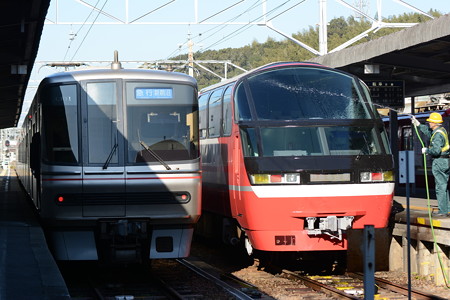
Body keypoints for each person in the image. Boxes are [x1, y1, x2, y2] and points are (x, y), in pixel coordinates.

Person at [411, 112, 450, 216]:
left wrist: (427, 150)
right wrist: (418, 124)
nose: (429, 123)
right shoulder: (441, 131)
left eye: (430, 121)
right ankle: (447, 209)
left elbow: (436, 151)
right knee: (444, 186)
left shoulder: (437, 135)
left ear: (434, 123)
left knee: (440, 187)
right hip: (445, 161)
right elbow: (428, 132)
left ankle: (443, 211)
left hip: (439, 162)